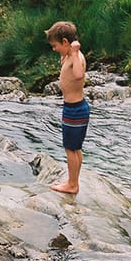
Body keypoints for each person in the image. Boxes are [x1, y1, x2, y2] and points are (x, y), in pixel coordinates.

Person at [45, 21, 89, 195]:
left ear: (65, 42)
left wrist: (75, 52)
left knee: (70, 149)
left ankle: (72, 184)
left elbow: (78, 75)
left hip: (75, 109)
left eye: (55, 46)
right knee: (75, 148)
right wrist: (67, 53)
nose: (53, 49)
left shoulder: (76, 57)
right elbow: (66, 59)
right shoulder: (68, 55)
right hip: (75, 108)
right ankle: (73, 180)